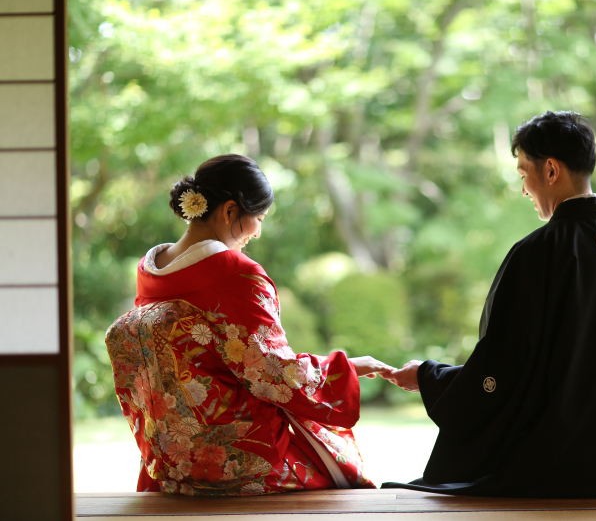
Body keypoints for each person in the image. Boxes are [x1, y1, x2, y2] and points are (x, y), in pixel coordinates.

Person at [382, 111, 596, 498]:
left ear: (550, 171)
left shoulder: (535, 254)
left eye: (522, 173)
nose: (524, 188)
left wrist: (430, 378)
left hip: (561, 471)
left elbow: (503, 370)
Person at [105, 154, 394, 496]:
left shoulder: (151, 271)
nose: (257, 232)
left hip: (171, 464)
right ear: (230, 211)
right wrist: (345, 369)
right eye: (259, 218)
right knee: (342, 478)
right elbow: (271, 372)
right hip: (241, 462)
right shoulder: (236, 274)